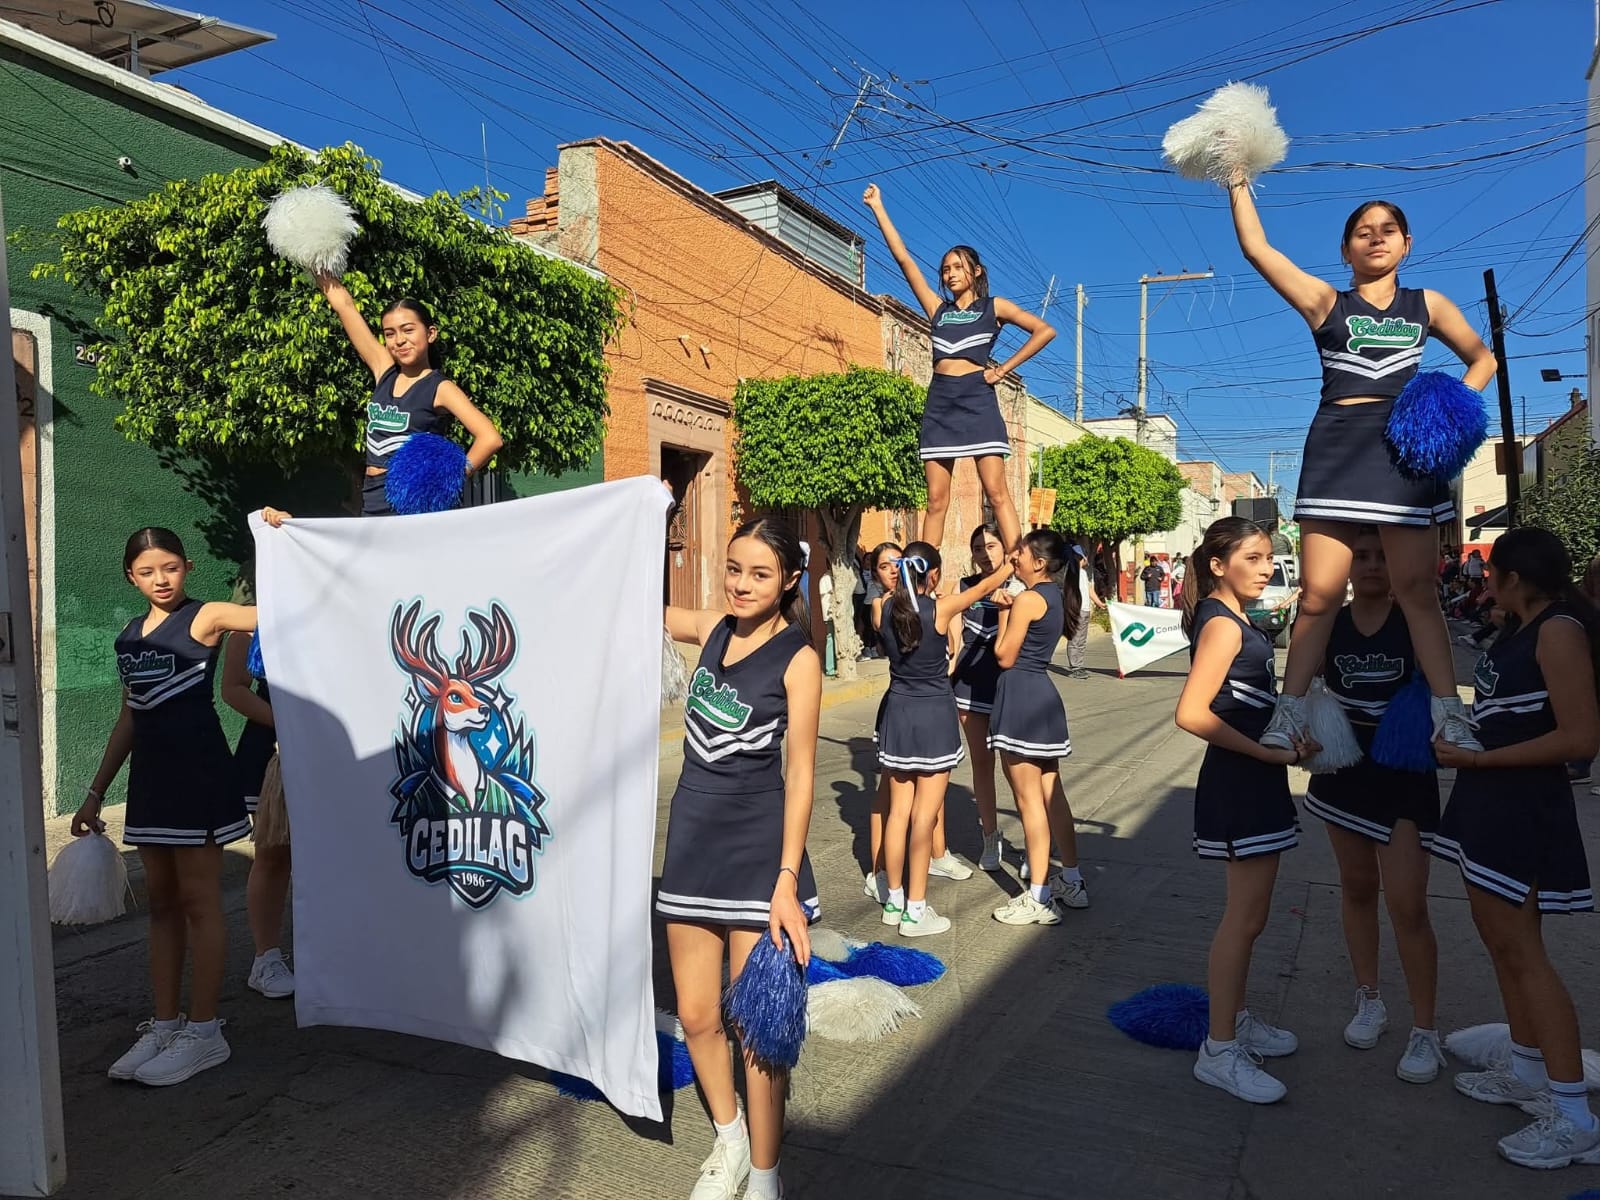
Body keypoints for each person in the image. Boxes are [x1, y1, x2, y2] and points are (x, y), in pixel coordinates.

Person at [1226, 187, 1495, 755]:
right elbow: (1257, 248)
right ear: (1345, 249)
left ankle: (1450, 716)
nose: (1376, 238)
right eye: (1362, 232)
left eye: (1387, 230)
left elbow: (1483, 359)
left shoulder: (1428, 304)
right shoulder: (1326, 302)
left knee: (1416, 591)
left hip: (1405, 453)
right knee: (1318, 596)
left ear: (1407, 243)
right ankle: (1289, 714)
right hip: (1337, 449)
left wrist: (1448, 412)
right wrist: (1237, 178)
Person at [661, 517, 821, 1200]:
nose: (742, 584)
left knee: (757, 1029)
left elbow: (802, 773)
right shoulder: (711, 628)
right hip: (692, 840)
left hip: (759, 852)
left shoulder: (798, 658)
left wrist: (786, 880)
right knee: (697, 1014)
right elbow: (632, 603)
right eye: (733, 568)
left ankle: (764, 1173)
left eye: (759, 573)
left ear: (789, 580)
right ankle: (728, 1140)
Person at [72, 527, 265, 1086]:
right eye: (147, 571)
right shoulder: (129, 637)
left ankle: (205, 1032)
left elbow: (273, 611)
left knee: (200, 903)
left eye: (171, 568)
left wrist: (279, 537)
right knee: (160, 906)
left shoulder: (206, 617)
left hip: (199, 778)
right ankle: (164, 1024)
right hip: (151, 783)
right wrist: (94, 792)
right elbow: (129, 718)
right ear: (130, 577)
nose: (160, 580)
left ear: (188, 567)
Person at [1432, 527, 1599, 1170]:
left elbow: (1580, 738)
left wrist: (1481, 760)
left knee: (1526, 953)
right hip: (1488, 801)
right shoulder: (1519, 628)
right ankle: (1528, 1070)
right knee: (1501, 942)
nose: (1484, 585)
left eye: (1492, 575)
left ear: (1515, 578)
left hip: (1522, 805)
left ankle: (1575, 1116)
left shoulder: (1559, 631)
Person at [1175, 517, 1318, 1104]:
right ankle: (1219, 1049)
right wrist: (1264, 751)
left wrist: (1287, 742)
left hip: (1255, 777)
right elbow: (1191, 713)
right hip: (1239, 780)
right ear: (1218, 565)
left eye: (1269, 558)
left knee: (1252, 917)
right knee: (1243, 918)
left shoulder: (1234, 617)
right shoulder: (1221, 625)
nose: (1266, 568)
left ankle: (1233, 1017)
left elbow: (1247, 702)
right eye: (1253, 558)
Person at [1303, 528, 1444, 1082]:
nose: (1370, 566)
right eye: (1360, 556)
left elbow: (1443, 692)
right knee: (1358, 887)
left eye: (1382, 556)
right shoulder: (1328, 623)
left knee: (1408, 904)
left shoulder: (1417, 619)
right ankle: (1370, 999)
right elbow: (1300, 685)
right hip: (1345, 768)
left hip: (1404, 771)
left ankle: (1425, 1029)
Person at [862, 183, 1055, 553]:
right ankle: (924, 572)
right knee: (936, 499)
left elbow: (1044, 330)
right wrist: (878, 207)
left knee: (996, 492)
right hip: (940, 403)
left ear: (976, 271)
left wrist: (1002, 370)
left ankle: (1018, 564)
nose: (949, 274)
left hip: (978, 400)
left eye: (957, 267)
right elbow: (904, 260)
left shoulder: (994, 307)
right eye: (945, 269)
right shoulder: (938, 310)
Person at [875, 542, 1014, 936]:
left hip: (898, 713)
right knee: (925, 816)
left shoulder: (883, 607)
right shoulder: (941, 609)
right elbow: (983, 588)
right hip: (934, 715)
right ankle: (916, 910)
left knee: (898, 813)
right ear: (932, 574)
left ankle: (894, 899)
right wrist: (1010, 564)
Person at [315, 274, 504, 516]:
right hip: (371, 497)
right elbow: (345, 307)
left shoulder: (440, 387)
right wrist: (316, 263)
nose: (399, 340)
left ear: (430, 333)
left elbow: (490, 438)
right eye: (390, 333)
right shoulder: (384, 370)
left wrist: (447, 482)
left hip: (411, 500)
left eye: (408, 330)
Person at [989, 529, 1090, 925]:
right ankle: (1072, 880)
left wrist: (1003, 611)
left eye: (1021, 553)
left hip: (1021, 698)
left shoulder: (1029, 599)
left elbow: (1004, 655)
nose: (1014, 557)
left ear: (1040, 562)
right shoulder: (1054, 595)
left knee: (1029, 800)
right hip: (1043, 697)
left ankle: (1039, 896)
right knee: (1051, 795)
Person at [220, 619, 294, 999]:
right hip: (271, 748)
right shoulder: (248, 619)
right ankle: (266, 959)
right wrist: (291, 725)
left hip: (334, 739)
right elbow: (233, 688)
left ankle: (338, 949)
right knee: (274, 854)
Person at [951, 524, 1013, 871]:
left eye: (991, 545)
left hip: (1008, 687)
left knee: (1016, 767)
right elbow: (953, 638)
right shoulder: (964, 588)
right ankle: (990, 835)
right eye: (978, 548)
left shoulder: (1020, 587)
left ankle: (1034, 843)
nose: (985, 553)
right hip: (969, 687)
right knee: (982, 763)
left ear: (1005, 548)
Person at [1065, 543, 1104, 679]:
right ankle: (1075, 667)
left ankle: (1079, 665)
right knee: (1075, 639)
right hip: (1076, 610)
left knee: (1081, 640)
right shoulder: (1071, 572)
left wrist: (1099, 603)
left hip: (1085, 610)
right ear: (1082, 557)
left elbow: (1089, 589)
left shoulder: (1082, 573)